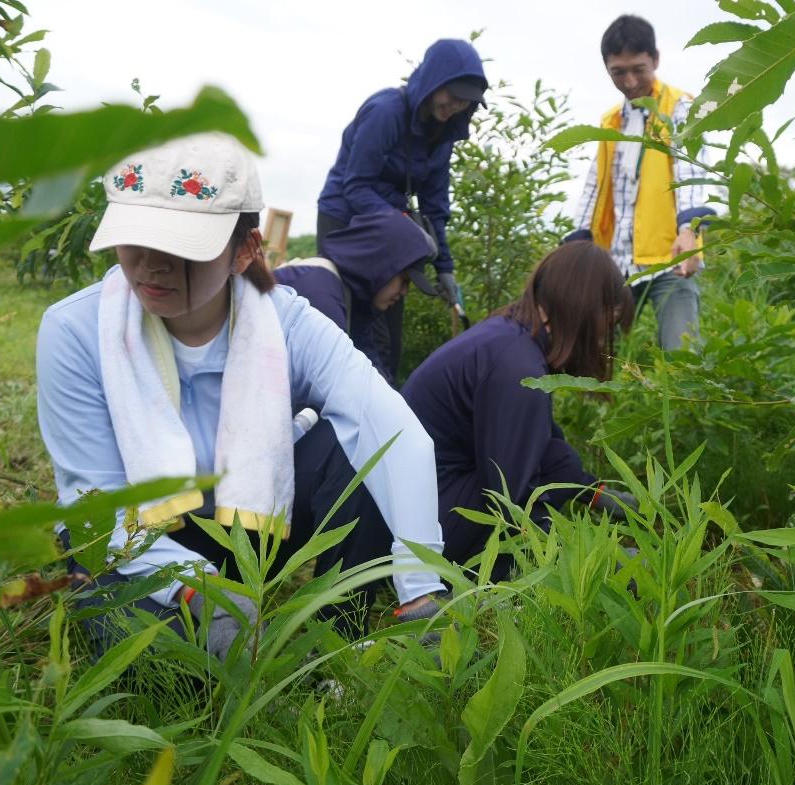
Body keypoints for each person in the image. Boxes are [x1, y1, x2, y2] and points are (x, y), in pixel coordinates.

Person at [37, 133, 449, 660]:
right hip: (133, 543)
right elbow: (95, 507)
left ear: (245, 250)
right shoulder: (76, 331)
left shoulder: (284, 321)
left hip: (242, 525)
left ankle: (335, 642)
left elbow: (390, 429)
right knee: (153, 663)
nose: (150, 265)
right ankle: (215, 625)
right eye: (135, 240)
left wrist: (422, 583)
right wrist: (196, 588)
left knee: (354, 450)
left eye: (181, 248)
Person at [400, 242, 636, 568]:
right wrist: (589, 562)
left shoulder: (514, 333)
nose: (600, 342)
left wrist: (592, 491)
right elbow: (511, 495)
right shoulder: (517, 367)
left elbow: (541, 444)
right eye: (603, 328)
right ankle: (523, 568)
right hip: (422, 527)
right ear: (580, 310)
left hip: (420, 498)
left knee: (559, 458)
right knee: (522, 512)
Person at [316, 38, 488, 384]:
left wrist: (445, 268)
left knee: (388, 341)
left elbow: (434, 207)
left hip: (393, 233)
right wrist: (406, 228)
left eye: (464, 101)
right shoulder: (386, 112)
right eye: (451, 95)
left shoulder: (443, 132)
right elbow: (356, 185)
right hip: (347, 224)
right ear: (433, 83)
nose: (455, 106)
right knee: (349, 327)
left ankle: (384, 413)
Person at [567, 14, 716, 351]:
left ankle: (683, 404)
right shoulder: (611, 121)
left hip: (670, 254)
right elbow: (596, 186)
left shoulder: (680, 107)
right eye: (618, 72)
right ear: (607, 68)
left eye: (639, 69)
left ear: (656, 60)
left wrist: (689, 229)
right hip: (615, 261)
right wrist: (577, 241)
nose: (630, 81)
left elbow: (690, 172)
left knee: (681, 355)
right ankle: (603, 404)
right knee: (594, 351)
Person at [274, 211, 437, 384]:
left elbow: (371, 374)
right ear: (381, 264)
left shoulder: (353, 300)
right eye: (404, 280)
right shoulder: (320, 297)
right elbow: (339, 385)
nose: (405, 292)